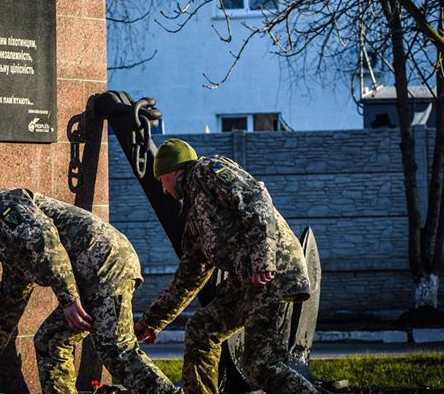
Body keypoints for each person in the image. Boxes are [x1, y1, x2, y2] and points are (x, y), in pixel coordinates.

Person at [134, 139, 319, 394]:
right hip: (246, 282)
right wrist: (152, 321)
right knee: (201, 330)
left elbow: (256, 198)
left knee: (261, 366)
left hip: (274, 273)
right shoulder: (193, 216)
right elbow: (189, 277)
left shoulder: (207, 171)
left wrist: (262, 258)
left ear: (172, 172)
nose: (163, 190)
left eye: (161, 181)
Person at [0, 188, 177, 394]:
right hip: (90, 274)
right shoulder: (6, 242)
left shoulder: (2, 207)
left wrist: (69, 300)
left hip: (106, 264)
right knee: (50, 340)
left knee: (116, 350)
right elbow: (9, 301)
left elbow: (44, 239)